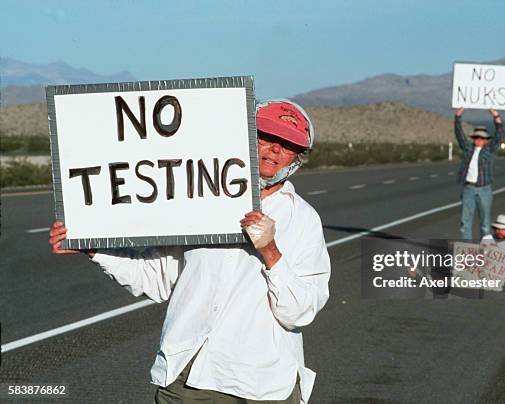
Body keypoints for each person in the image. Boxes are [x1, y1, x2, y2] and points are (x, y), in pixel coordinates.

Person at [49, 99, 331, 404]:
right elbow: (156, 277)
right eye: (267, 136)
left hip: (263, 385)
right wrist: (93, 248)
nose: (275, 149)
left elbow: (301, 312)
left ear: (297, 158)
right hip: (191, 376)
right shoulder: (196, 202)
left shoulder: (302, 219)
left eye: (287, 145)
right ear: (246, 136)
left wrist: (271, 252)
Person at [455, 107, 504, 240]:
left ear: (486, 139)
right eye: (476, 137)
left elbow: (499, 135)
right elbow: (459, 135)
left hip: (484, 189)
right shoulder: (467, 149)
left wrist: (496, 116)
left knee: (485, 225)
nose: (479, 139)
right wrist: (458, 116)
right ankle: (467, 253)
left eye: (482, 138)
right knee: (465, 223)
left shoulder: (489, 150)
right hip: (468, 189)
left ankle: (485, 251)